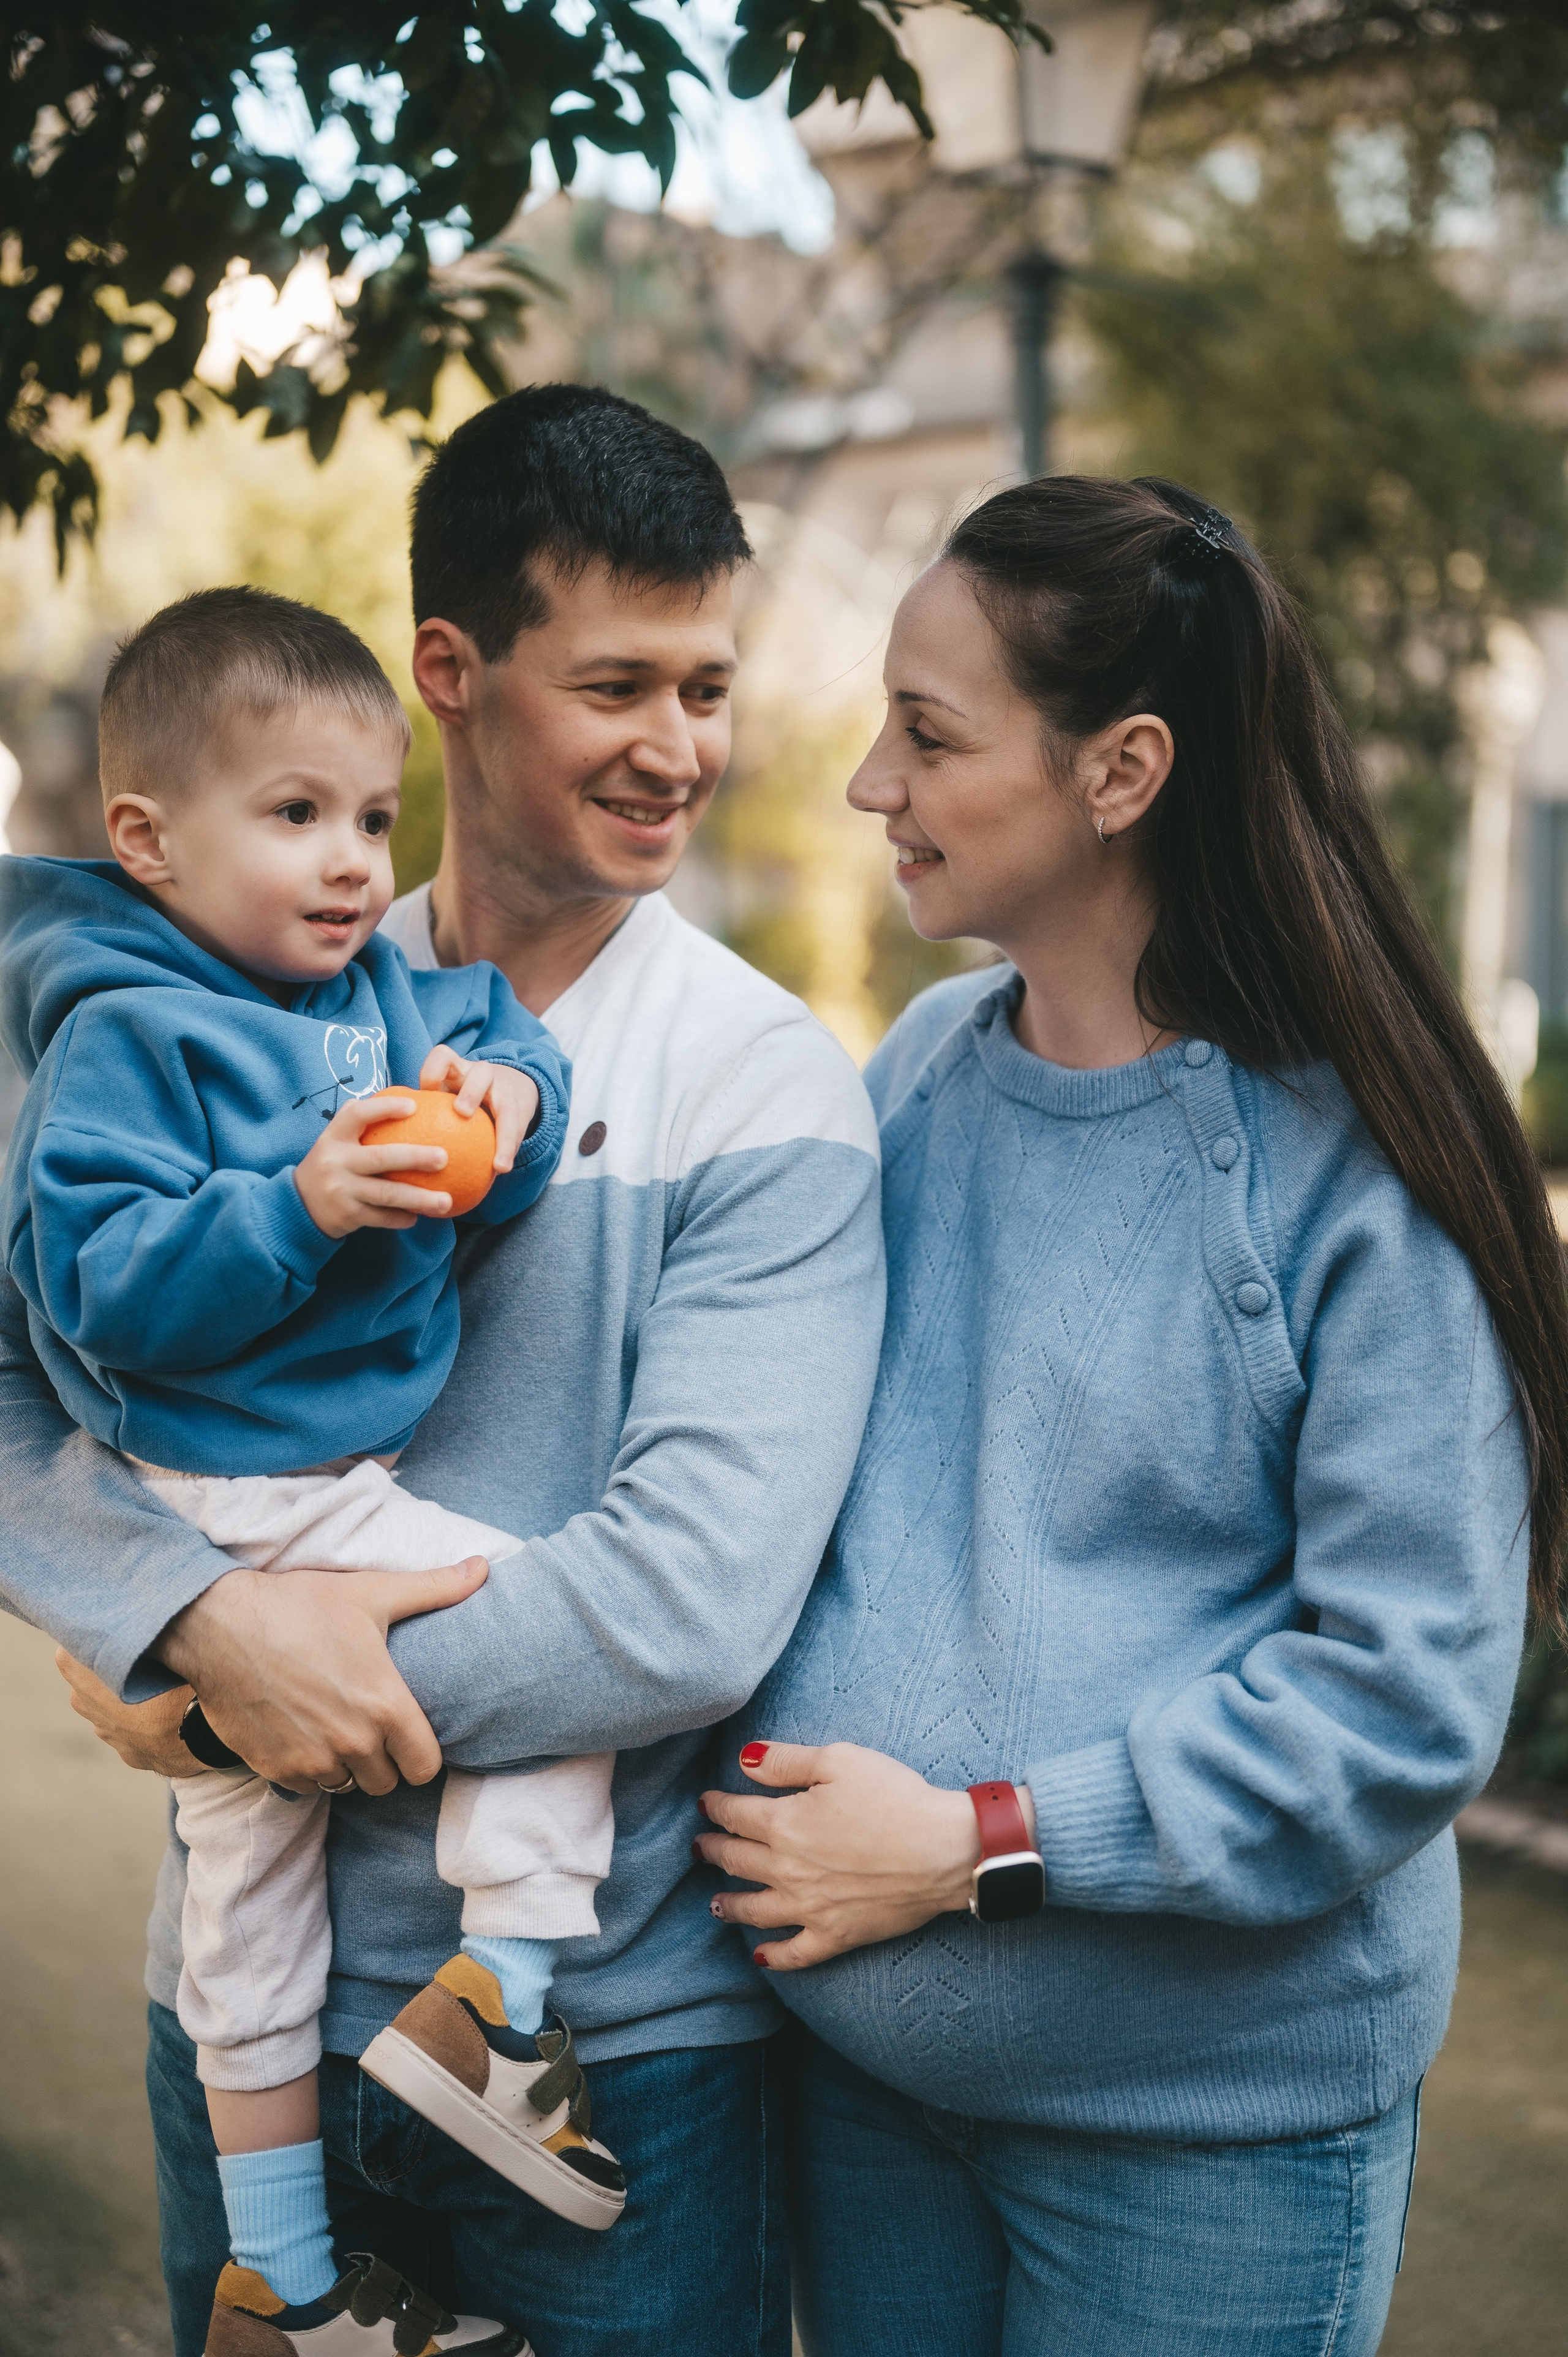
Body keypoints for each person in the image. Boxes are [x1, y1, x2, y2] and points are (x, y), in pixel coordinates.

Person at [0, 385, 884, 2357]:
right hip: (244, 2024)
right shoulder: (232, 999)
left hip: (604, 2044)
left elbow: (688, 1604)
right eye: (620, 685)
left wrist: (236, 1685)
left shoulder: (768, 1087)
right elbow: (22, 1373)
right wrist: (182, 1608)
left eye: (710, 688)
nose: (683, 751)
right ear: (451, 674)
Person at [695, 475, 1568, 2357]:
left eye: (929, 736)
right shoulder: (922, 1072)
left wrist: (982, 1841)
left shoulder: (1354, 1179)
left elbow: (1406, 1699)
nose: (869, 784)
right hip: (867, 2092)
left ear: (1123, 770)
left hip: (1202, 2142)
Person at [0, 581, 654, 2354]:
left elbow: (494, 1029)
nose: (356, 861)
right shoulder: (129, 1037)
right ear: (146, 839)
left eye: (373, 817)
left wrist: (501, 1106)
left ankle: (282, 2287)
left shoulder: (368, 980)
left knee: (251, 1901)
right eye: (294, 817)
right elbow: (93, 1284)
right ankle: (500, 2002)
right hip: (246, 1486)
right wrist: (295, 1207)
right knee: (559, 1637)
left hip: (276, 1485)